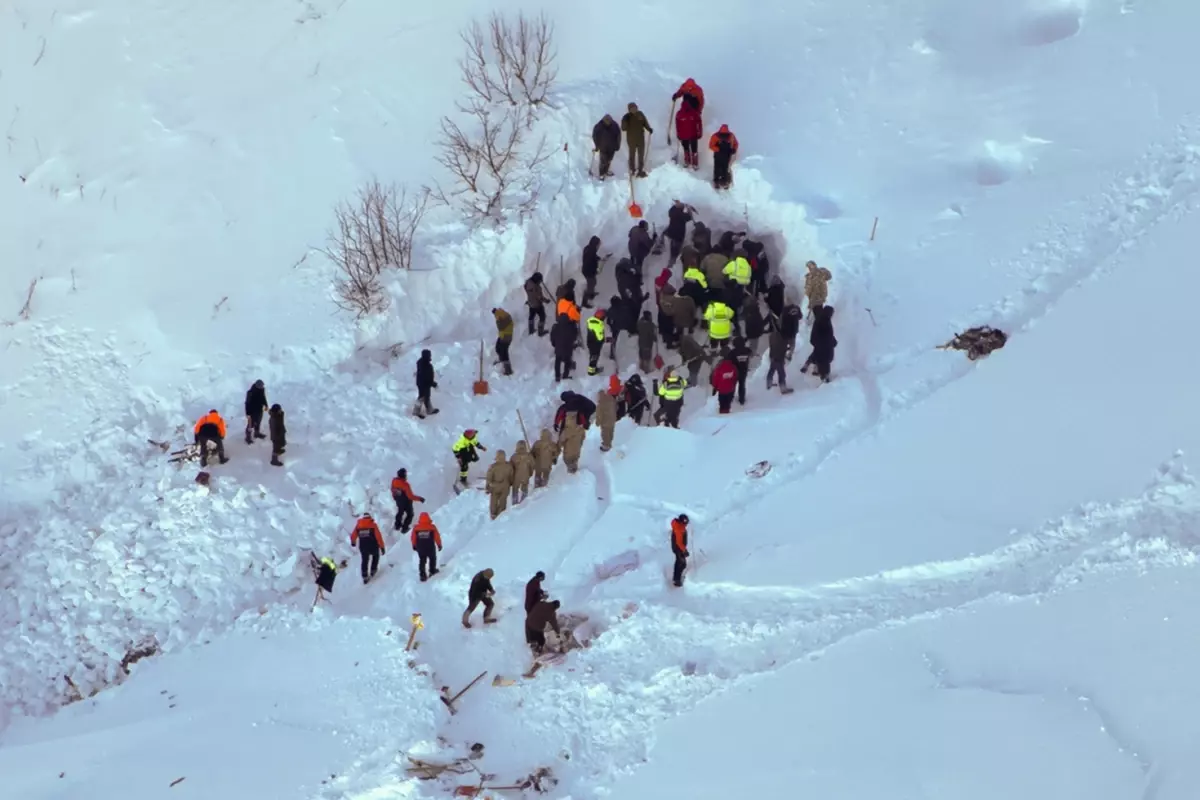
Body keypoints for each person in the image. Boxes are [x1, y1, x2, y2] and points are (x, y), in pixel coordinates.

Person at [802, 305, 838, 383]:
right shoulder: (825, 321)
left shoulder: (821, 319)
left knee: (818, 357)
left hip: (820, 345)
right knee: (824, 362)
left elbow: (816, 334)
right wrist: (832, 342)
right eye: (832, 313)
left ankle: (810, 366)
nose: (832, 315)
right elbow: (828, 335)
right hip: (825, 347)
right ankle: (824, 377)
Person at [620, 102, 654, 178]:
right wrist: (625, 121)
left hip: (640, 138)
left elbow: (645, 123)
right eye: (632, 108)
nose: (634, 109)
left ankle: (640, 170)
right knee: (632, 154)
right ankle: (632, 169)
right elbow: (623, 128)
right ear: (629, 109)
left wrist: (649, 129)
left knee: (641, 154)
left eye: (635, 107)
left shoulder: (640, 114)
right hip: (631, 139)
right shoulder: (626, 117)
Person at [350, 513, 385, 585]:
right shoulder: (373, 525)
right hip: (373, 546)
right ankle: (373, 570)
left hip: (363, 547)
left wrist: (353, 542)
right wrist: (382, 547)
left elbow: (353, 535)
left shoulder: (358, 526)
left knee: (364, 560)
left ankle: (365, 576)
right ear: (369, 518)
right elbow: (379, 537)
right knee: (376, 556)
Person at [410, 511, 442, 581]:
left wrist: (414, 545)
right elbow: (437, 536)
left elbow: (413, 538)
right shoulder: (432, 527)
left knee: (422, 560)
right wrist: (439, 545)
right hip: (430, 547)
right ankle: (432, 570)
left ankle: (422, 575)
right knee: (432, 558)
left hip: (420, 548)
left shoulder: (416, 528)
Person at [485, 449, 515, 520]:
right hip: (505, 486)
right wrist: (510, 483)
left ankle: (493, 514)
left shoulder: (493, 466)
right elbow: (511, 476)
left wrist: (487, 487)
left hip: (495, 486)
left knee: (493, 500)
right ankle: (501, 514)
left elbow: (489, 478)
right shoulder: (509, 466)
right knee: (503, 500)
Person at [664, 201, 695, 268]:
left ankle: (672, 261)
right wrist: (689, 210)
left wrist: (676, 205)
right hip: (678, 235)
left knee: (673, 247)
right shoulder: (682, 215)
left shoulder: (672, 212)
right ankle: (672, 265)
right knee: (676, 250)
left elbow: (671, 210)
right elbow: (689, 217)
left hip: (671, 233)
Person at [709, 124, 739, 189]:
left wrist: (718, 149)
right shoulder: (731, 136)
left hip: (719, 155)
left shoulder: (715, 136)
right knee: (724, 168)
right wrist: (733, 149)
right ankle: (724, 182)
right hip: (725, 155)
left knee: (718, 168)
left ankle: (717, 181)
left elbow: (711, 145)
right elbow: (736, 144)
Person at [674, 102, 703, 170]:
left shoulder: (679, 114)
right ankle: (695, 164)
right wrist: (700, 133)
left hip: (684, 136)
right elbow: (699, 123)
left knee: (686, 148)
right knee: (694, 149)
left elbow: (677, 126)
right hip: (693, 135)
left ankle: (687, 161)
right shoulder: (694, 113)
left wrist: (678, 134)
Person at [592, 114, 621, 178]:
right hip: (603, 147)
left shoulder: (615, 125)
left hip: (612, 147)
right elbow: (595, 136)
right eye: (606, 121)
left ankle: (606, 171)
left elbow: (618, 135)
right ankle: (601, 174)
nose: (608, 122)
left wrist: (618, 145)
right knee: (603, 161)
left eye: (609, 121)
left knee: (609, 160)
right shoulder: (599, 126)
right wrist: (597, 145)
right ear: (604, 120)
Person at [551, 313, 577, 382]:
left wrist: (554, 344)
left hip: (558, 348)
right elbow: (574, 337)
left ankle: (557, 376)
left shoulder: (555, 327)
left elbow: (552, 337)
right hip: (568, 348)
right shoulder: (571, 327)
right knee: (567, 362)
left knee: (557, 362)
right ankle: (565, 375)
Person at [524, 272, 552, 336]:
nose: (540, 282)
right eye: (539, 281)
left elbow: (525, 287)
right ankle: (540, 332)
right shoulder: (536, 288)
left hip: (530, 303)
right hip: (537, 305)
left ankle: (531, 330)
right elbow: (540, 297)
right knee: (542, 317)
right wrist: (546, 301)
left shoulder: (528, 283)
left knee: (531, 316)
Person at [766, 326, 793, 394]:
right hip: (779, 358)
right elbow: (783, 349)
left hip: (772, 355)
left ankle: (769, 383)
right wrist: (788, 350)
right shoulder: (783, 338)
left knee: (772, 369)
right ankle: (783, 388)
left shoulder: (772, 335)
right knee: (782, 373)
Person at [414, 349, 439, 418]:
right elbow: (427, 378)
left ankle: (428, 410)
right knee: (422, 397)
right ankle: (417, 412)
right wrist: (433, 384)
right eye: (429, 355)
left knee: (424, 397)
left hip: (421, 383)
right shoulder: (427, 366)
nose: (430, 356)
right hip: (424, 384)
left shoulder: (420, 362)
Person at [728, 336, 752, 406]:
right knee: (742, 385)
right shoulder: (747, 350)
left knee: (733, 385)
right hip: (744, 371)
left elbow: (729, 360)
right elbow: (751, 354)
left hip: (735, 371)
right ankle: (742, 399)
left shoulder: (732, 352)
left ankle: (731, 397)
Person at [581, 236, 603, 308]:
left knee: (593, 282)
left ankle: (591, 294)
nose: (599, 246)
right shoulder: (591, 251)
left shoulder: (588, 248)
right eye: (598, 244)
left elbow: (593, 257)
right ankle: (585, 301)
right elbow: (590, 262)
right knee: (591, 285)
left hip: (586, 270)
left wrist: (598, 258)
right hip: (589, 272)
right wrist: (595, 270)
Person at [491, 307, 514, 376]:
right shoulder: (504, 315)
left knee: (504, 351)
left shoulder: (503, 318)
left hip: (506, 337)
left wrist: (498, 321)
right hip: (503, 336)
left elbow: (500, 327)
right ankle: (501, 359)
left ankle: (508, 369)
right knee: (498, 348)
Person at [510, 440, 535, 504]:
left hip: (517, 476)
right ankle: (524, 501)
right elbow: (532, 465)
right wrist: (530, 473)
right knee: (525, 487)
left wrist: (511, 477)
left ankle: (514, 501)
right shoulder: (529, 456)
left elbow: (510, 468)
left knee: (515, 489)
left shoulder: (514, 457)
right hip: (525, 475)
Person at [244, 380, 268, 444]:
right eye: (261, 386)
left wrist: (266, 405)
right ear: (257, 386)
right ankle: (247, 437)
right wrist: (248, 413)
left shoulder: (262, 390)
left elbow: (263, 398)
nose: (262, 387)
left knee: (258, 422)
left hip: (259, 410)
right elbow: (247, 403)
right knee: (250, 425)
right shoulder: (250, 392)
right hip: (252, 412)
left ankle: (257, 433)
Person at [596, 382, 618, 452]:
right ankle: (610, 443)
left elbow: (599, 414)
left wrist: (598, 422)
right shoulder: (611, 399)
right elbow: (616, 408)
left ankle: (606, 446)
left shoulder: (601, 403)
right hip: (612, 420)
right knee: (611, 432)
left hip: (605, 422)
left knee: (605, 434)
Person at [585, 309, 607, 376]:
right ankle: (591, 372)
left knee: (592, 356)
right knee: (595, 356)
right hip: (596, 343)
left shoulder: (590, 321)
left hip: (590, 341)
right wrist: (605, 339)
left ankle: (592, 369)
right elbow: (600, 337)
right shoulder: (598, 325)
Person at [670, 514, 690, 587]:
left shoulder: (679, 526)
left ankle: (676, 578)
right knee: (682, 563)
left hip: (677, 547)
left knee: (679, 562)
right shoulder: (679, 528)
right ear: (683, 521)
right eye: (686, 522)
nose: (687, 524)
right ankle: (677, 580)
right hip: (678, 548)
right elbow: (679, 542)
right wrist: (684, 551)